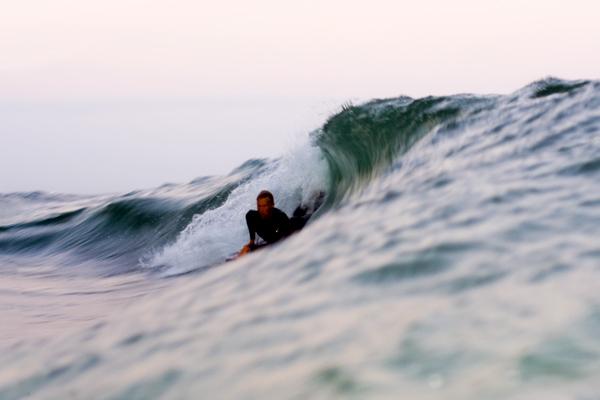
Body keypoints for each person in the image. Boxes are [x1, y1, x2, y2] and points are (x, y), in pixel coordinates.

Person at [238, 190, 291, 256]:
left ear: (272, 205)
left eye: (264, 206)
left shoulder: (279, 217)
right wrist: (251, 242)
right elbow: (252, 242)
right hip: (271, 239)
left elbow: (278, 236)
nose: (261, 209)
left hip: (287, 229)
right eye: (259, 206)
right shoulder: (251, 216)